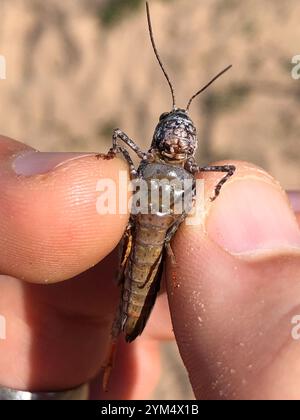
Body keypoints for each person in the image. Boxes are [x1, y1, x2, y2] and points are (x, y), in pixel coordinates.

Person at [0, 135, 299, 400]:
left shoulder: (186, 172)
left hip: (162, 247)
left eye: (184, 135)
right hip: (136, 237)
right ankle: (109, 349)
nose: (176, 139)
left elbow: (227, 173)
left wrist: (217, 193)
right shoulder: (150, 164)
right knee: (121, 284)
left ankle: (112, 346)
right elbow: (118, 140)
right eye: (170, 130)